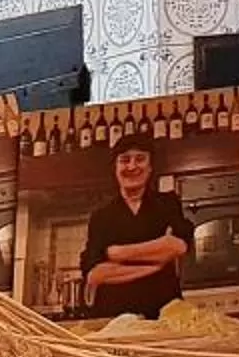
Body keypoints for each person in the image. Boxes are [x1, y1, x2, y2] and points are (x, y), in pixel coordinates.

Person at [77, 136, 193, 319]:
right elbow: (96, 275)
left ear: (150, 167)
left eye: (140, 159)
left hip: (164, 316)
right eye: (124, 160)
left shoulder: (168, 203)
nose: (132, 166)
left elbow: (178, 246)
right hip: (115, 319)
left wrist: (117, 253)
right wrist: (157, 263)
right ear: (115, 168)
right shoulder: (101, 216)